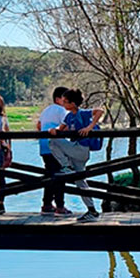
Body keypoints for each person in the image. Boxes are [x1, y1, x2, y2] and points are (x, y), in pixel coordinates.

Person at [49, 88, 104, 222]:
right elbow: (60, 129)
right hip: (76, 151)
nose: (64, 105)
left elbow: (100, 111)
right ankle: (92, 211)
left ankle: (66, 166)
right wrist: (54, 130)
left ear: (73, 103)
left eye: (66, 102)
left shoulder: (83, 113)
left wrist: (89, 127)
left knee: (52, 142)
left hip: (81, 149)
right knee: (81, 182)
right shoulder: (68, 116)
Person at [37, 86, 69, 216]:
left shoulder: (46, 110)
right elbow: (65, 125)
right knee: (59, 174)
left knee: (50, 174)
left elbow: (39, 125)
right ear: (58, 99)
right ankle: (60, 206)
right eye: (65, 98)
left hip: (44, 145)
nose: (67, 101)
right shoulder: (62, 110)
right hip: (56, 146)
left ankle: (47, 204)